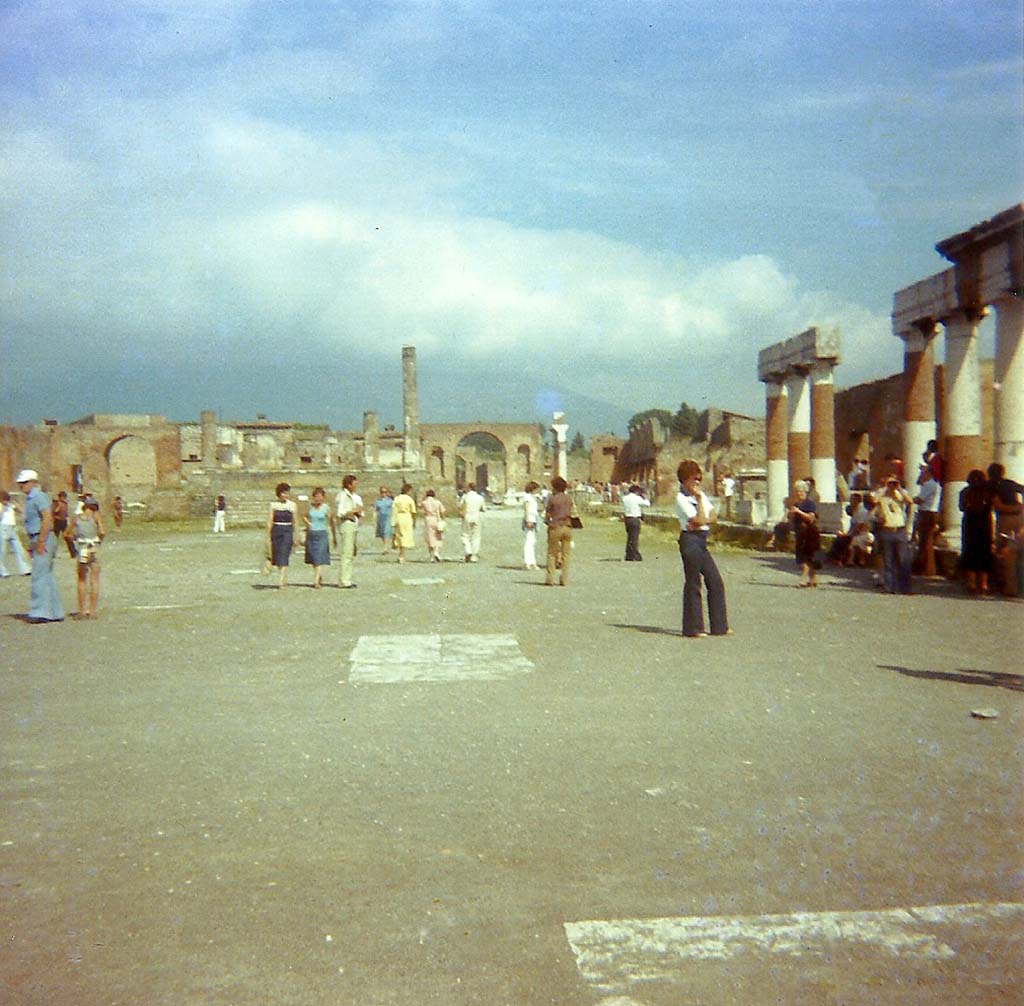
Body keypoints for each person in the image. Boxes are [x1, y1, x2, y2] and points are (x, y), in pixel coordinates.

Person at [675, 459, 729, 638]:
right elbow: (695, 520)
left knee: (715, 581)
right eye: (694, 479)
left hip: (701, 539)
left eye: (699, 479)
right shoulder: (681, 498)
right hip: (690, 541)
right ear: (684, 480)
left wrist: (702, 520)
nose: (697, 482)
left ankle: (719, 626)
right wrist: (699, 505)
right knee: (693, 582)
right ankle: (693, 627)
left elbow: (713, 516)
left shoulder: (701, 495)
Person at [15, 469, 63, 622]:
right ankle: (55, 612)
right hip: (37, 537)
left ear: (32, 482)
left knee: (39, 576)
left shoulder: (38, 496)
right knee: (46, 576)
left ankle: (39, 612)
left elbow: (47, 518)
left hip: (43, 537)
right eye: (20, 483)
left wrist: (41, 541)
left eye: (24, 483)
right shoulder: (30, 499)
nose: (21, 486)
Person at [872, 475, 914, 594]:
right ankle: (889, 587)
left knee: (903, 560)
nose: (892, 484)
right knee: (888, 560)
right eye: (890, 482)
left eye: (893, 482)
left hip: (899, 529)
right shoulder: (881, 494)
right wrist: (885, 488)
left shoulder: (900, 493)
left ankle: (905, 588)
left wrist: (899, 488)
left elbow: (910, 502)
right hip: (886, 529)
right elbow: (874, 501)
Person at [987, 462, 1024, 596]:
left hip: (1005, 519)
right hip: (1019, 519)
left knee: (1004, 551)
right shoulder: (1010, 483)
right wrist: (1020, 507)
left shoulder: (992, 485)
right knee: (1018, 551)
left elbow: (997, 505)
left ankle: (1008, 586)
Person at [66, 496, 105, 617]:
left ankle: (82, 610)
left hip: (82, 547)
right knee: (94, 580)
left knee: (82, 580)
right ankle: (92, 610)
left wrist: (75, 540)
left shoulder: (76, 518)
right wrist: (99, 540)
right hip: (94, 547)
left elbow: (67, 534)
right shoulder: (96, 517)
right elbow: (102, 532)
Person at [959, 469, 994, 596]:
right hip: (985, 523)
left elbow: (961, 507)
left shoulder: (965, 492)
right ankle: (984, 584)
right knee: (984, 552)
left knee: (970, 551)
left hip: (970, 522)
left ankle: (972, 584)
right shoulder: (988, 492)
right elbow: (992, 506)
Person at [788, 480, 820, 588]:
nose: (799, 494)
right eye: (797, 492)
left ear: (805, 492)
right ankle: (813, 579)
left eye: (801, 491)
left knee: (806, 557)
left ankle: (803, 579)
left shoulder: (810, 503)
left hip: (809, 533)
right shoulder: (796, 504)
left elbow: (811, 518)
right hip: (800, 533)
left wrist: (798, 512)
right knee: (807, 557)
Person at [303, 487, 336, 589]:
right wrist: (308, 523)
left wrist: (334, 536)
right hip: (311, 534)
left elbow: (331, 521)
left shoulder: (326, 508)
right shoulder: (310, 507)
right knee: (313, 558)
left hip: (322, 534)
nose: (318, 499)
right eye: (316, 496)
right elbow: (303, 516)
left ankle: (316, 581)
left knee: (319, 557)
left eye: (320, 496)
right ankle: (318, 575)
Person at [912, 463, 941, 576]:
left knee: (924, 541)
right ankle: (926, 567)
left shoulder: (929, 485)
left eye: (923, 472)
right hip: (929, 513)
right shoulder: (930, 484)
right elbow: (918, 482)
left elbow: (919, 499)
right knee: (925, 541)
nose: (921, 474)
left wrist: (911, 499)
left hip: (927, 513)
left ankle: (924, 567)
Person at [334, 474, 363, 588]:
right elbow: (340, 513)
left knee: (350, 553)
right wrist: (354, 510)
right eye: (354, 484)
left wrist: (358, 512)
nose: (356, 486)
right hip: (346, 524)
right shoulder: (342, 496)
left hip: (353, 524)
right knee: (346, 553)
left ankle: (348, 578)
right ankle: (344, 580)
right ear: (349, 485)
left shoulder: (354, 496)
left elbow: (360, 511)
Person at [544, 476, 573, 586]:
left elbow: (548, 513)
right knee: (566, 555)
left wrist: (547, 522)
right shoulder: (569, 498)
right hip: (567, 527)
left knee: (552, 553)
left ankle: (550, 578)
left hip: (555, 526)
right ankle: (563, 579)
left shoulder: (552, 498)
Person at [267, 482, 297, 588]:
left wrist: (296, 534)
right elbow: (270, 520)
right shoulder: (273, 505)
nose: (286, 495)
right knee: (277, 554)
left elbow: (295, 521)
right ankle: (283, 575)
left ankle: (281, 579)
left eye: (287, 493)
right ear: (279, 494)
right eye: (284, 493)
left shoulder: (292, 505)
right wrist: (268, 535)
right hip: (276, 529)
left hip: (287, 530)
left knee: (284, 553)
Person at [0, 491, 32, 577]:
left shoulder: (10, 506)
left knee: (19, 548)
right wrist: (3, 508)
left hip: (12, 528)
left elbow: (21, 511)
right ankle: (3, 571)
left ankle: (25, 569)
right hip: (3, 528)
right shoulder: (1, 506)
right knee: (2, 551)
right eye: (5, 500)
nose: (6, 501)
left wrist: (15, 505)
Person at [621, 484, 651, 561]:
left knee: (629, 537)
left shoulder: (625, 498)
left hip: (627, 518)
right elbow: (647, 504)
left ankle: (628, 554)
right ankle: (634, 555)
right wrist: (644, 497)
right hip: (635, 518)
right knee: (634, 538)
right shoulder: (637, 498)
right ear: (636, 491)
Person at [459, 482, 485, 563]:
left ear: (469, 488)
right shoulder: (480, 497)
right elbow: (483, 508)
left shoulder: (465, 497)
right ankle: (474, 555)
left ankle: (468, 551)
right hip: (477, 516)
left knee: (465, 535)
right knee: (476, 536)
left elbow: (460, 506)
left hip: (467, 516)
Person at [392, 484, 417, 564]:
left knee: (399, 535)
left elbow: (394, 510)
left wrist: (393, 520)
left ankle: (400, 553)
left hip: (399, 517)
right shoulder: (409, 499)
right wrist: (414, 521)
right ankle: (402, 555)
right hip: (406, 517)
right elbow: (413, 511)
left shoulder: (397, 498)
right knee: (405, 536)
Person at [420, 489, 446, 563]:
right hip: (436, 519)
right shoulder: (437, 502)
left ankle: (431, 556)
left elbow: (419, 507)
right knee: (437, 536)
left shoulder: (424, 502)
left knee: (429, 537)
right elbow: (443, 511)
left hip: (428, 519)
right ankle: (436, 552)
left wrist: (422, 498)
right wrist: (443, 520)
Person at [521, 481, 540, 569]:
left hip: (534, 518)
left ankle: (532, 561)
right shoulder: (527, 497)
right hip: (530, 518)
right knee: (529, 540)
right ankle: (527, 562)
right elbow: (527, 508)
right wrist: (528, 519)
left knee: (532, 540)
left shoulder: (532, 497)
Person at [373, 487, 394, 556]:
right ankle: (386, 545)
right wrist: (374, 519)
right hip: (380, 518)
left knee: (386, 532)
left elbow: (394, 509)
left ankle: (385, 548)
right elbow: (376, 510)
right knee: (382, 533)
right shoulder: (378, 501)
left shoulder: (390, 501)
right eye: (382, 492)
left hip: (388, 518)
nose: (383, 493)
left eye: (385, 492)